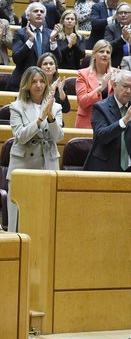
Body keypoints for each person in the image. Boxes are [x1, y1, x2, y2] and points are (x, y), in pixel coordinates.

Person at [8, 67, 64, 231]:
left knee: (45, 219)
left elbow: (58, 137)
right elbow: (20, 136)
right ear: (26, 84)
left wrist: (51, 117)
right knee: (20, 218)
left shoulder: (56, 107)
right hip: (23, 165)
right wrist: (40, 119)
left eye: (41, 81)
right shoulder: (17, 106)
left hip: (48, 164)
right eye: (34, 81)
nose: (38, 85)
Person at [84, 70, 131, 172]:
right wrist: (124, 121)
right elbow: (101, 136)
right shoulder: (101, 107)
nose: (128, 91)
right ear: (115, 85)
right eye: (125, 86)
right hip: (107, 166)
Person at [10, 2, 62, 91]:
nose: (39, 13)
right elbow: (16, 58)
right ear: (28, 16)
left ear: (44, 17)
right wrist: (30, 40)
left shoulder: (51, 33)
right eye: (35, 11)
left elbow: (58, 60)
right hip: (24, 82)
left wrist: (53, 41)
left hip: (44, 83)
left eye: (42, 12)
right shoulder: (20, 33)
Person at [75, 40, 114, 128]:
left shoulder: (116, 74)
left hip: (110, 123)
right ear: (94, 55)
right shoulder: (82, 74)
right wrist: (100, 88)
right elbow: (82, 102)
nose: (105, 54)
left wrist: (116, 86)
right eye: (101, 51)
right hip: (87, 122)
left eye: (108, 52)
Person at [104, 2, 131, 68]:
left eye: (126, 12)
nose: (123, 15)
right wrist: (123, 38)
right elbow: (107, 46)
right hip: (115, 65)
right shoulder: (110, 28)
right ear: (116, 16)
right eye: (120, 13)